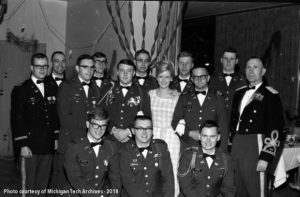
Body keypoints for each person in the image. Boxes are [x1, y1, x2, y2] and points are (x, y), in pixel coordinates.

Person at [230, 57, 284, 197]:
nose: (251, 71)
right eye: (248, 67)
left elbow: (275, 128)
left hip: (255, 145)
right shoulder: (239, 93)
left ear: (263, 71)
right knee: (238, 188)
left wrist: (266, 156)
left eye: (255, 67)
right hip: (237, 145)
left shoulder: (270, 94)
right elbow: (233, 121)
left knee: (256, 190)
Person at [11, 53, 59, 195]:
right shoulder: (21, 89)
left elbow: (54, 115)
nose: (42, 69)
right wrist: (23, 145)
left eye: (45, 66)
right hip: (30, 145)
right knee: (28, 184)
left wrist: (55, 138)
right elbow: (17, 119)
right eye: (38, 66)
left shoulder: (52, 87)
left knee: (42, 184)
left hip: (47, 143)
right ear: (32, 67)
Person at [56, 54, 100, 188]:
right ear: (77, 68)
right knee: (66, 186)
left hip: (89, 144)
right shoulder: (66, 86)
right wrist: (87, 123)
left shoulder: (95, 88)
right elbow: (64, 118)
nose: (89, 70)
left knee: (86, 184)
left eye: (92, 67)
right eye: (85, 67)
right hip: (71, 142)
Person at [64, 107, 120, 197]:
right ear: (87, 124)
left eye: (103, 125)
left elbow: (115, 178)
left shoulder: (111, 147)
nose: (99, 129)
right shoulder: (74, 147)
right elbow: (76, 180)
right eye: (95, 125)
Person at [172, 65, 228, 150]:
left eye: (202, 76)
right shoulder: (184, 97)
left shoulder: (218, 98)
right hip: (188, 146)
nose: (199, 79)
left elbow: (223, 128)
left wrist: (222, 152)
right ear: (192, 79)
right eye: (196, 77)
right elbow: (175, 121)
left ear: (208, 78)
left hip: (211, 147)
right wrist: (190, 133)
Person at [119, 115, 174, 197]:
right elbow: (129, 184)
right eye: (140, 128)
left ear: (152, 131)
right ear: (133, 131)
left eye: (148, 128)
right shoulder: (125, 152)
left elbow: (168, 182)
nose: (144, 132)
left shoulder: (161, 149)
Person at [148, 60, 180, 196]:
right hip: (152, 135)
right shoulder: (150, 94)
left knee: (171, 168)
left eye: (167, 76)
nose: (164, 80)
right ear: (156, 77)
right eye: (161, 76)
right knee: (151, 167)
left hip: (171, 137)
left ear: (172, 78)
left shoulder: (178, 96)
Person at [98, 59, 151, 143]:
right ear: (117, 73)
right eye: (122, 70)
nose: (125, 74)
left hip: (133, 140)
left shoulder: (142, 92)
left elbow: (147, 115)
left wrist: (128, 132)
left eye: (129, 71)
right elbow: (100, 113)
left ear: (133, 73)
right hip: (110, 140)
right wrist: (112, 129)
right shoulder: (108, 90)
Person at [178, 120, 235, 197]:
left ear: (218, 137)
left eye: (212, 136)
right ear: (199, 136)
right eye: (205, 136)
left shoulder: (226, 159)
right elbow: (186, 187)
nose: (208, 140)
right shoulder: (188, 156)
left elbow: (228, 188)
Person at [210, 47, 247, 120]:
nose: (228, 61)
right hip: (216, 121)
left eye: (231, 59)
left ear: (236, 61)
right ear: (221, 60)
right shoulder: (212, 79)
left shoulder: (243, 79)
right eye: (226, 58)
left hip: (235, 120)